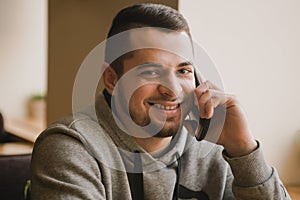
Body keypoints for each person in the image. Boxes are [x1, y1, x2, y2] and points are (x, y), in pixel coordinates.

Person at [30, 3, 290, 199]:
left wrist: (243, 149)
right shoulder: (70, 147)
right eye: (151, 72)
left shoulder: (212, 148)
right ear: (111, 79)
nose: (172, 90)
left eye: (183, 71)